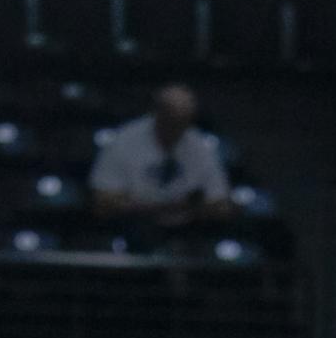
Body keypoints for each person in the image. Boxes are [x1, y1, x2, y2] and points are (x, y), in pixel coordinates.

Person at [89, 84, 232, 230]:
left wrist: (198, 206)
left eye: (183, 120)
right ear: (158, 113)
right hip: (131, 226)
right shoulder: (123, 140)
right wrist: (155, 208)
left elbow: (221, 203)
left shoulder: (200, 145)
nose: (176, 126)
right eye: (171, 119)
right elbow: (102, 200)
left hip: (186, 230)